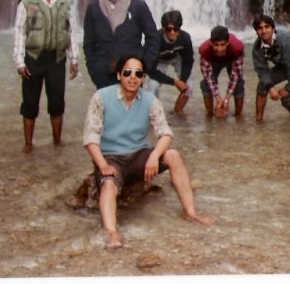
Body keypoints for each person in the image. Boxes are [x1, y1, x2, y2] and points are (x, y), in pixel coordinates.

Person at [82, 53, 212, 248]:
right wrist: (102, 165)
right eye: (127, 72)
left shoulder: (149, 99)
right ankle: (111, 232)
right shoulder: (101, 97)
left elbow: (165, 133)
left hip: (139, 155)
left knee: (173, 155)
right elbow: (91, 137)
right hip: (111, 157)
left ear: (143, 77)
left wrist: (154, 156)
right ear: (119, 75)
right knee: (109, 185)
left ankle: (190, 212)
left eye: (138, 73)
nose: (133, 77)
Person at [13, 0, 79, 153]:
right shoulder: (27, 3)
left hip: (57, 59)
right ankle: (28, 144)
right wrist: (19, 61)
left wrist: (74, 59)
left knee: (57, 102)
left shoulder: (63, 3)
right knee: (30, 103)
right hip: (33, 58)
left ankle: (57, 142)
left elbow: (71, 31)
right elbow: (19, 31)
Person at [83, 0, 160, 89]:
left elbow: (153, 38)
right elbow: (88, 43)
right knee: (106, 110)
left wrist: (143, 66)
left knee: (132, 110)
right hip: (103, 75)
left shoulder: (138, 6)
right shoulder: (93, 8)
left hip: (132, 74)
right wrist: (93, 69)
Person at [251, 14, 290, 121]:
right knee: (262, 86)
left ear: (273, 28)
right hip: (283, 65)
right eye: (260, 28)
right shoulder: (257, 48)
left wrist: (289, 89)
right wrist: (270, 88)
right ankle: (258, 120)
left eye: (267, 27)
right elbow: (262, 70)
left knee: (286, 98)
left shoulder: (284, 40)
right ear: (256, 31)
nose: (264, 31)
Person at [146, 10, 194, 114]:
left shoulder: (185, 38)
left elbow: (188, 61)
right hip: (159, 60)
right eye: (169, 29)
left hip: (177, 57)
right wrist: (174, 82)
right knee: (152, 86)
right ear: (163, 29)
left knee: (189, 85)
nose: (172, 32)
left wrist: (183, 81)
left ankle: (176, 113)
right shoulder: (154, 40)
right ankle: (155, 114)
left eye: (176, 29)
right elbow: (151, 70)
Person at [198, 25, 245, 117]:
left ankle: (238, 116)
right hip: (213, 59)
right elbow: (208, 77)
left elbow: (235, 76)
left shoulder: (237, 48)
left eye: (222, 45)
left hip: (232, 57)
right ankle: (210, 115)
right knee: (205, 84)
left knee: (238, 83)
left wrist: (226, 99)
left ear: (227, 43)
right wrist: (219, 100)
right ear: (211, 43)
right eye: (216, 45)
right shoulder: (204, 50)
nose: (219, 49)